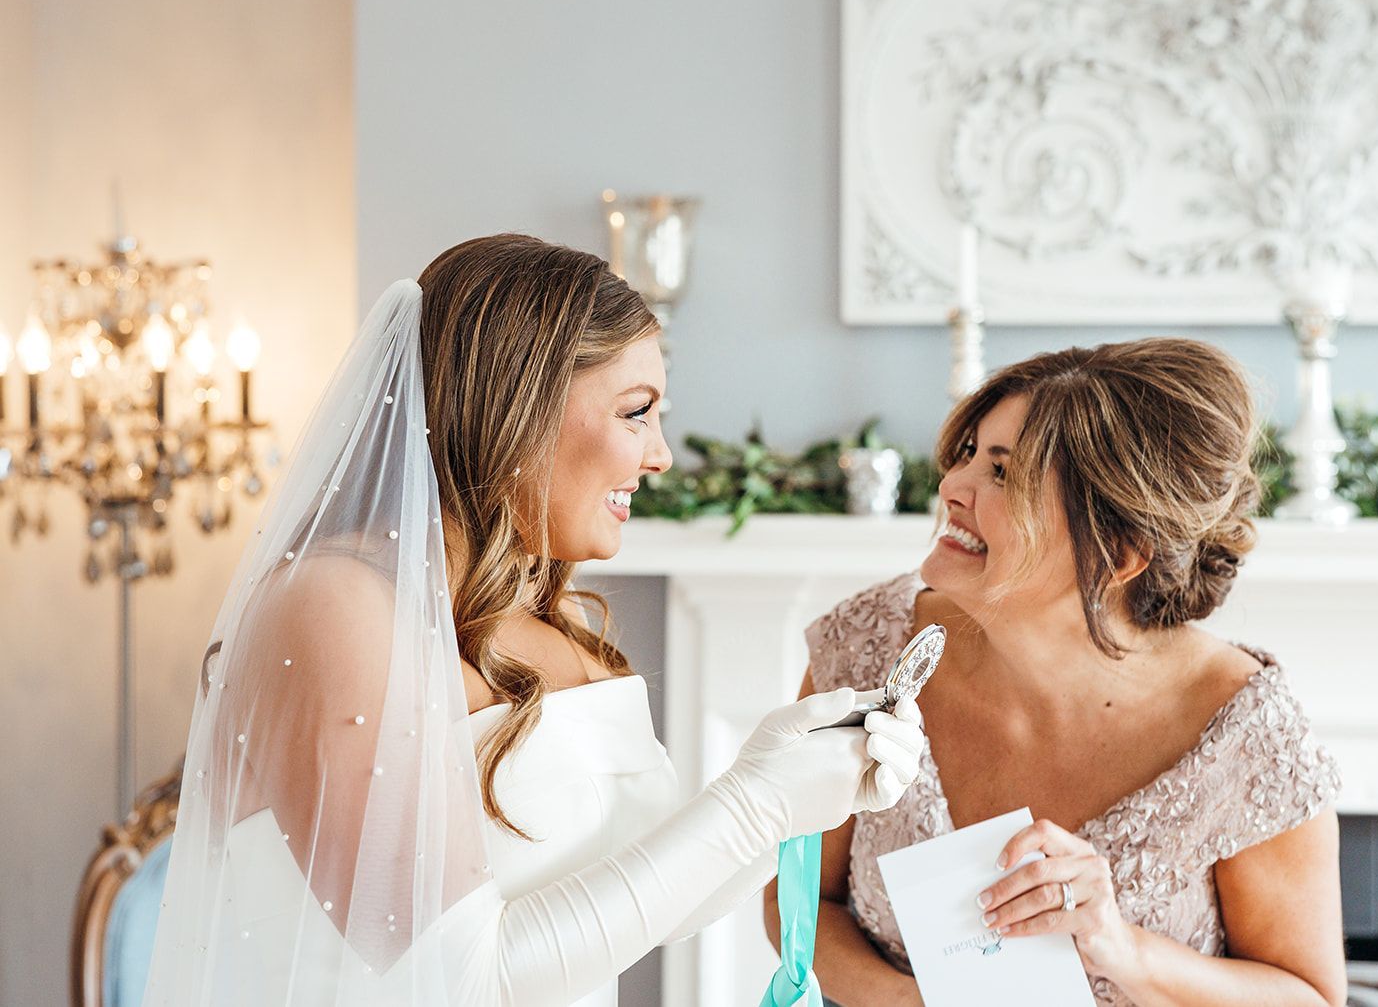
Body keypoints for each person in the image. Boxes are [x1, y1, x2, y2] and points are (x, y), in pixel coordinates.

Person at [144, 234, 925, 1007]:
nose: (661, 457)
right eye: (636, 412)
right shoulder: (331, 605)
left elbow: (664, 907)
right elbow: (459, 981)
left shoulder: (547, 623)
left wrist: (799, 779)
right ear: (518, 407)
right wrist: (755, 803)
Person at [768, 340, 1345, 1007]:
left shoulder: (1246, 734)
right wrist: (908, 1002)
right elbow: (798, 900)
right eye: (969, 455)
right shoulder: (867, 650)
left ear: (1120, 551)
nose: (953, 488)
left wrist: (1120, 947)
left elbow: (1310, 998)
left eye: (1004, 474)